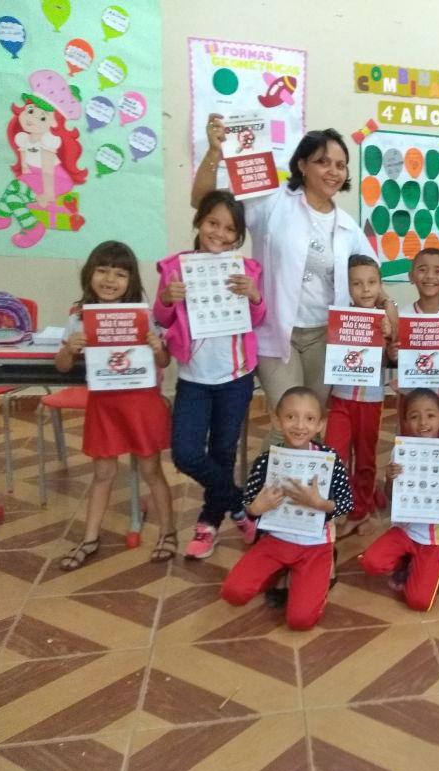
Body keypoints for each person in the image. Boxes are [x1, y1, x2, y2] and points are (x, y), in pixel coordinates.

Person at [191, 115, 376, 411]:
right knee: (288, 419)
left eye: (340, 165)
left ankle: (286, 459)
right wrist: (215, 153)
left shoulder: (347, 226)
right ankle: (268, 460)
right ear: (302, 165)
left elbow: (370, 272)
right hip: (276, 332)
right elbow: (203, 201)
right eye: (323, 162)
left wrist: (388, 308)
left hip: (325, 335)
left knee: (309, 424)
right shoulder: (270, 201)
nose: (333, 171)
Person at [154, 190, 266, 559]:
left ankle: (208, 523)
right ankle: (239, 505)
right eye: (212, 223)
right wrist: (168, 298)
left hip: (235, 376)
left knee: (222, 452)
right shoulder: (176, 268)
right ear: (199, 222)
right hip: (194, 377)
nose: (218, 233)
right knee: (185, 453)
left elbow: (258, 318)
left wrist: (254, 296)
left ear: (238, 237)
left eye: (228, 228)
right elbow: (163, 317)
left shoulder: (245, 270)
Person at [54, 241, 175, 570]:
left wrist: (156, 346)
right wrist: (69, 347)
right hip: (104, 405)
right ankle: (90, 537)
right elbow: (63, 366)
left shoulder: (141, 314)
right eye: (102, 270)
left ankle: (168, 532)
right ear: (89, 273)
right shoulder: (79, 316)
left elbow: (164, 358)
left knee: (151, 470)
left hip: (141, 402)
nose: (109, 279)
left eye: (120, 274)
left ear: (131, 280)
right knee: (103, 473)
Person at [220, 387, 353, 630]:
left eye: (309, 418)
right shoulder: (267, 460)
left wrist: (320, 504)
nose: (300, 425)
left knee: (300, 620)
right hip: (276, 541)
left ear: (321, 424)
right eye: (291, 417)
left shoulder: (329, 459)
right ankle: (282, 573)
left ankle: (318, 572)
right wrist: (257, 508)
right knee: (233, 592)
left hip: (315, 545)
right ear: (276, 420)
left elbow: (346, 502)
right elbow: (249, 503)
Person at [358, 389, 439, 611]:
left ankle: (426, 565)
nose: (423, 422)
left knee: (419, 601)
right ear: (405, 421)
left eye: (430, 415)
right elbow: (391, 497)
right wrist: (389, 479)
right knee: (371, 562)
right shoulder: (401, 452)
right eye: (414, 416)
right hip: (405, 530)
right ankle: (405, 561)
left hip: (434, 537)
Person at [325, 254, 397, 537]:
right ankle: (334, 507)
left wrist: (388, 333)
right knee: (334, 452)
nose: (365, 289)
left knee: (366, 457)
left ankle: (360, 510)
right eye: (357, 284)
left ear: (380, 285)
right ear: (348, 287)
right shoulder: (341, 315)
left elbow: (395, 345)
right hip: (341, 397)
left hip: (370, 399)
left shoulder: (384, 316)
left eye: (371, 283)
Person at [0, 69, 88, 249]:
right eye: (30, 110)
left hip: (50, 181)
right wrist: (25, 170)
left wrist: (48, 195)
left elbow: (49, 171)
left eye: (42, 116)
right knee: (13, 189)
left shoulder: (48, 143)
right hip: (33, 177)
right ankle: (0, 216)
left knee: (14, 195)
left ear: (53, 123)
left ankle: (31, 226)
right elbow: (25, 159)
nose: (32, 118)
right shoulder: (24, 138)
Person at [390, 247, 439, 437]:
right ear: (411, 276)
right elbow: (398, 358)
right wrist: (393, 355)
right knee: (407, 438)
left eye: (438, 271)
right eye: (422, 269)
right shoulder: (401, 316)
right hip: (409, 391)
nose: (430, 276)